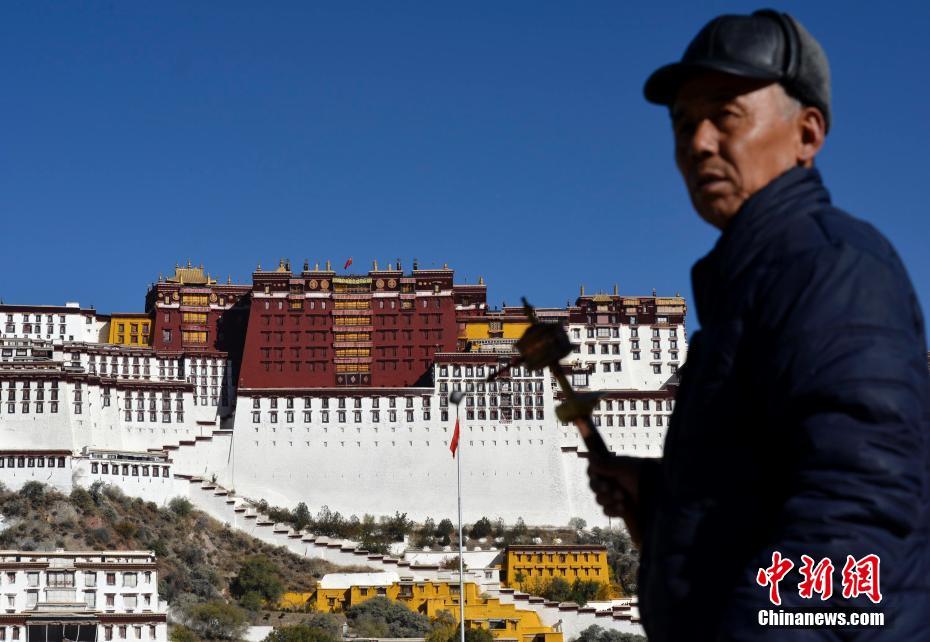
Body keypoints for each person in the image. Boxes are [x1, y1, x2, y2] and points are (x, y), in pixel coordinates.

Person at [587, 9, 930, 640]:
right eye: (683, 123)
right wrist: (658, 494)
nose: (698, 143)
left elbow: (854, 514)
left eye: (726, 115)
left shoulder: (832, 269)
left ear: (807, 133)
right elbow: (762, 486)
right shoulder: (750, 283)